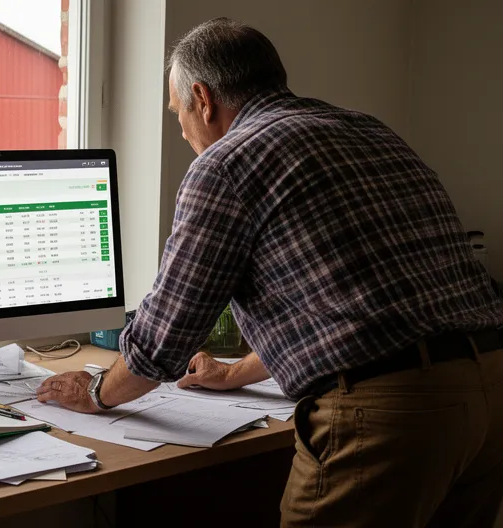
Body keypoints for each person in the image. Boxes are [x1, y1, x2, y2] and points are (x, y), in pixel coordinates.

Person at [36, 17, 503, 527]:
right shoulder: (367, 129)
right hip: (490, 383)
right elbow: (347, 308)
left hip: (393, 414)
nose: (184, 130)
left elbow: (164, 338)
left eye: (178, 113)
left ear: (203, 98)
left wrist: (96, 392)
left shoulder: (226, 164)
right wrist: (233, 372)